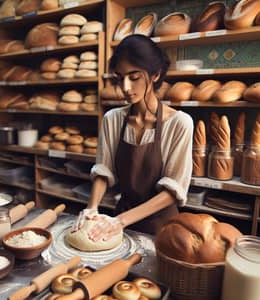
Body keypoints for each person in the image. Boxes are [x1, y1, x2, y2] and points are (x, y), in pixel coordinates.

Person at [72, 34, 193, 241]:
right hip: (121, 219)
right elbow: (104, 170)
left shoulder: (179, 123)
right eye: (120, 78)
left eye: (134, 77)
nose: (126, 87)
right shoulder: (113, 119)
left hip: (162, 228)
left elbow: (173, 191)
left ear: (155, 74)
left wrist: (120, 221)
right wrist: (91, 208)